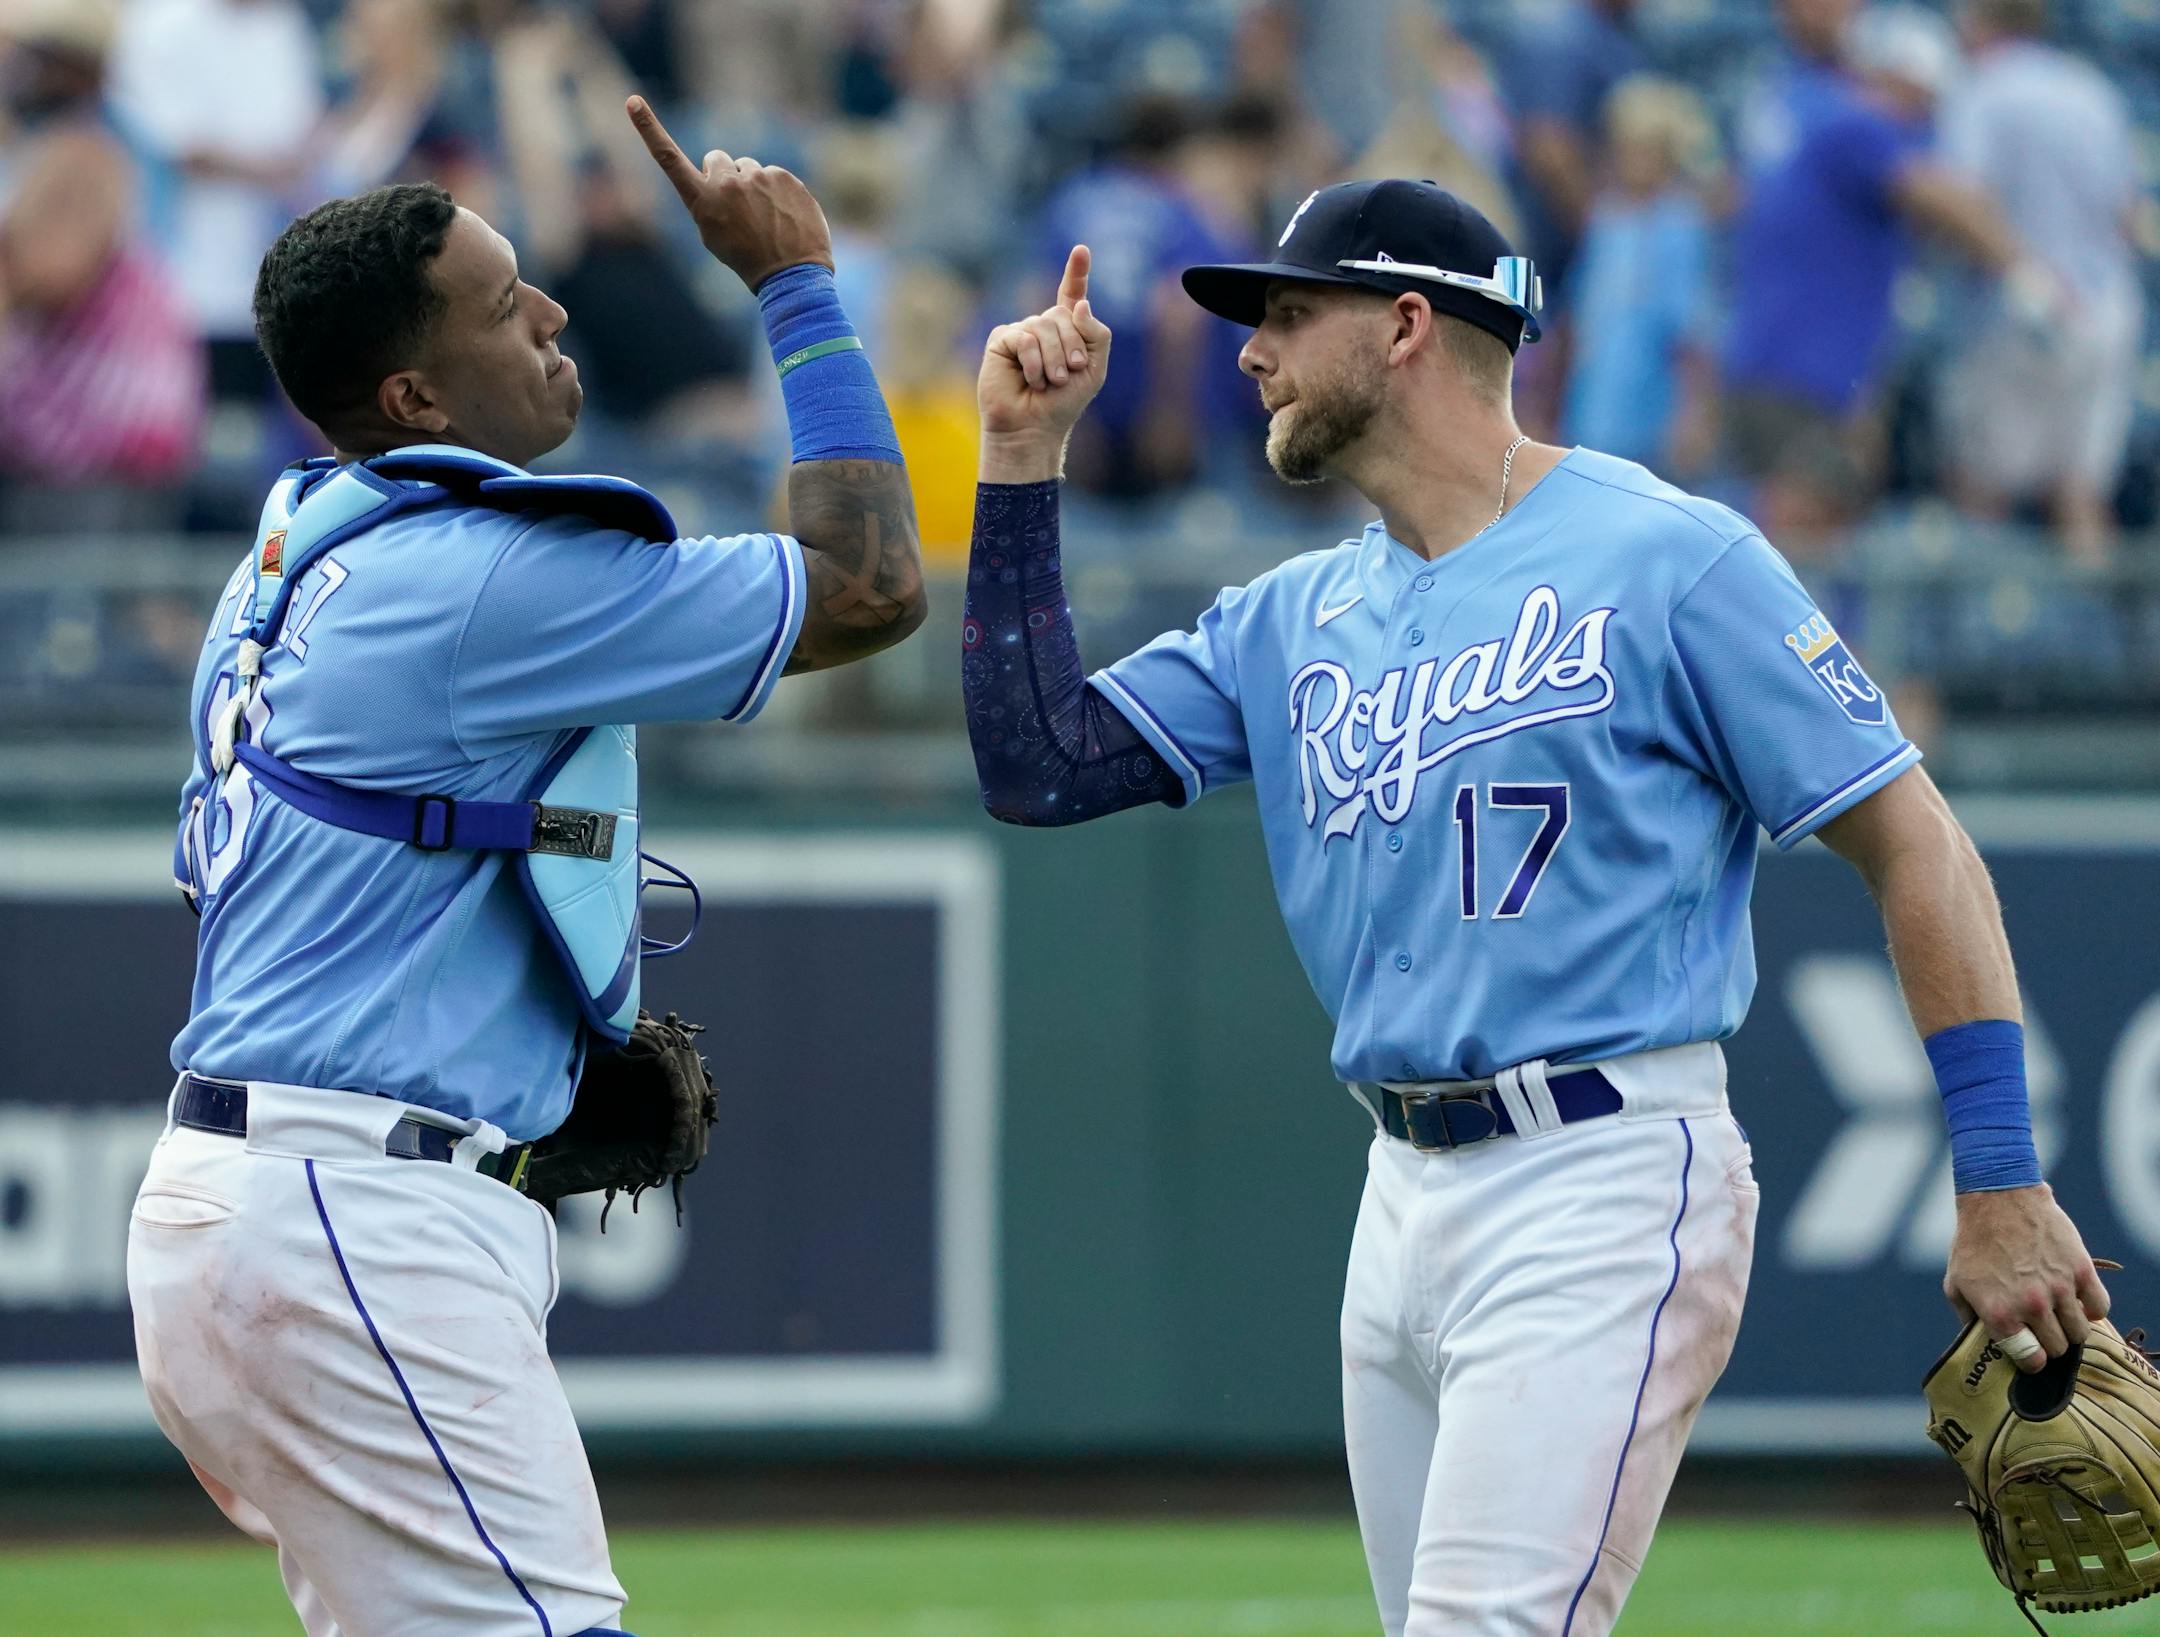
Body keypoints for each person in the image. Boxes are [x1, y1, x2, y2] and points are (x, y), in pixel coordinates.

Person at [961, 179, 2105, 1636]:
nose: (1250, 351)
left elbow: (1920, 848)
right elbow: (1037, 763)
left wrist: (2001, 1177)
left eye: (1290, 314)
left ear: (1408, 325)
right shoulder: (1292, 617)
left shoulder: (1671, 557)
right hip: (1398, 1198)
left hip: (1603, 1179)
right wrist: (1017, 458)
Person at [126, 98, 923, 1637]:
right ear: (414, 388)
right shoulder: (476, 575)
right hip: (356, 1214)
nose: (552, 311)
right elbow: (870, 588)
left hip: (250, 1196)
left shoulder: (288, 553)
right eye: (506, 304)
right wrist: (799, 293)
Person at [1719, 5, 2045, 537]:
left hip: (1791, 365)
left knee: (1814, 533)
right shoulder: (1854, 125)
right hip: (1802, 373)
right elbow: (1944, 199)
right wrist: (2029, 277)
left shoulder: (1813, 114)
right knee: (1796, 534)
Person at [1936, 0, 2143, 561]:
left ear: (1980, 23)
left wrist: (2025, 272)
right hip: (2106, 308)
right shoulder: (2091, 89)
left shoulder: (1983, 88)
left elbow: (1963, 199)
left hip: (2022, 308)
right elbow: (2128, 215)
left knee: (1981, 492)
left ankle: (1975, 640)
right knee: (2079, 490)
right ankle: (2103, 648)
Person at [1560, 76, 1716, 475]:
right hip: (1592, 409)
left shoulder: (1679, 226)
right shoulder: (1605, 221)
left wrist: (1691, 414)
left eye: (1644, 149)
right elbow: (1582, 316)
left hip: (1650, 415)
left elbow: (1688, 333)